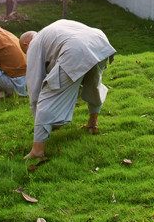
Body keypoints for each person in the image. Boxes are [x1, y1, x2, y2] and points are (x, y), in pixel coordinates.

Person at [23, 19, 116, 160]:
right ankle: (92, 124)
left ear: (26, 44)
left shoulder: (34, 44)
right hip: (99, 42)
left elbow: (34, 82)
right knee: (93, 85)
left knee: (47, 96)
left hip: (76, 49)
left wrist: (37, 109)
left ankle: (37, 152)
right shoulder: (54, 28)